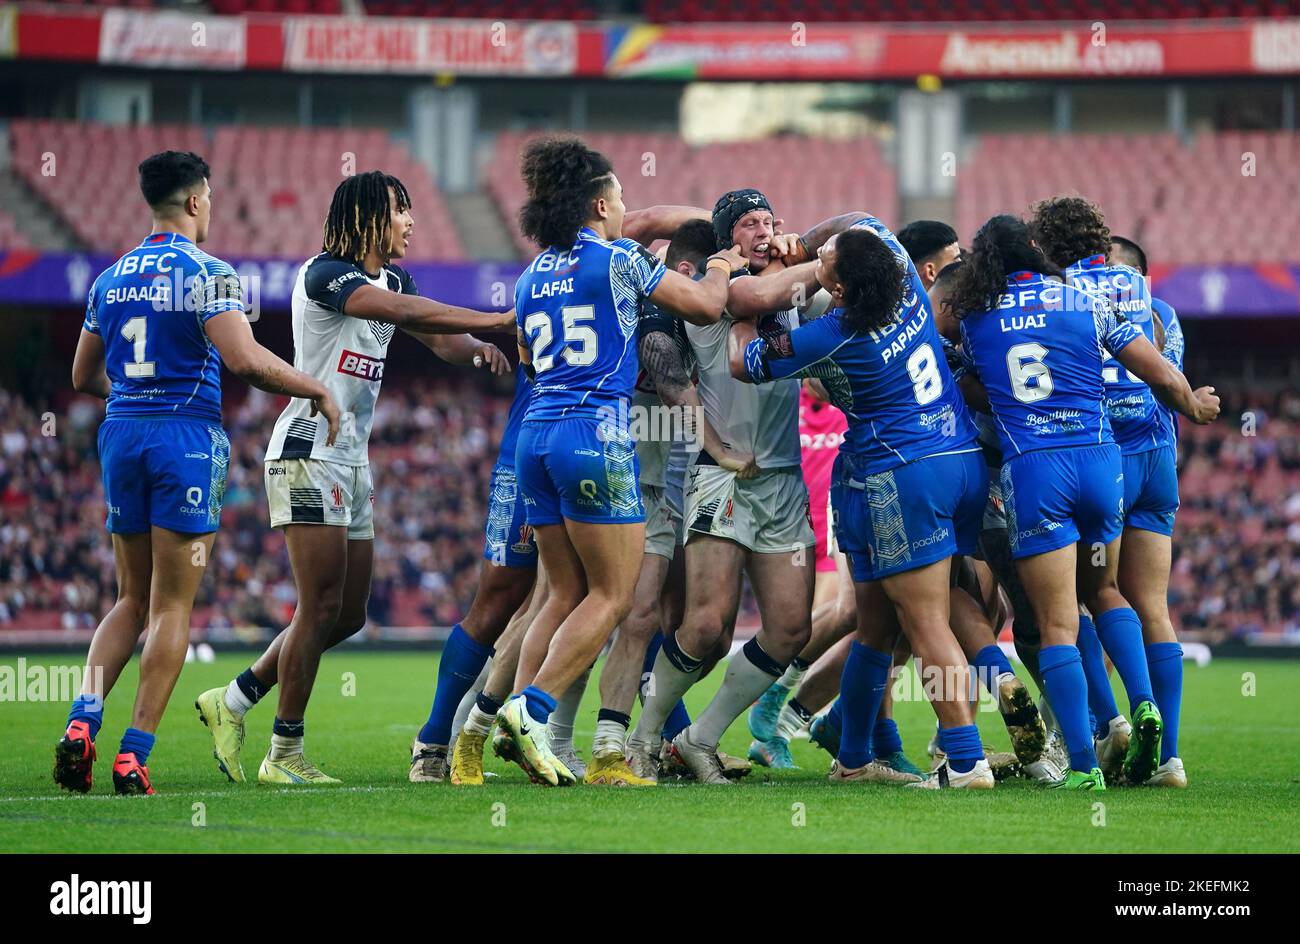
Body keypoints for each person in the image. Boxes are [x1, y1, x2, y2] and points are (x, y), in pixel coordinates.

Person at [194, 171, 513, 785]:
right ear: (369, 216)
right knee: (317, 606)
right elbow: (396, 308)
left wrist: (481, 348)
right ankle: (283, 754)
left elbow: (434, 336)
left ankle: (233, 701)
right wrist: (493, 318)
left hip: (354, 460)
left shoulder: (394, 280)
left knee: (348, 614)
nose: (411, 223)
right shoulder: (326, 274)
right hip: (308, 450)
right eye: (401, 211)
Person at [56, 150, 341, 796]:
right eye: (208, 198)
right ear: (194, 201)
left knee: (128, 599)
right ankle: (133, 755)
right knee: (170, 607)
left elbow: (81, 377)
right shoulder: (210, 273)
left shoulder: (110, 279)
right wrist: (314, 388)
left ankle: (82, 721)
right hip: (185, 439)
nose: (209, 208)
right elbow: (244, 359)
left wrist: (134, 397)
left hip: (122, 432)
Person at [495, 136, 745, 787]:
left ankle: (513, 721)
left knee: (561, 593)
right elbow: (707, 307)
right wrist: (719, 264)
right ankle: (532, 709)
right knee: (612, 596)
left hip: (534, 437)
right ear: (601, 204)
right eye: (621, 198)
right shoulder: (618, 259)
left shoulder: (530, 275)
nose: (626, 208)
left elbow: (525, 355)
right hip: (594, 433)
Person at [950, 214, 1218, 789]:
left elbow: (969, 383)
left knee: (1055, 624)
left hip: (1038, 471)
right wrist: (1193, 405)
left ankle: (1084, 765)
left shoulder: (976, 317)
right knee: (1108, 589)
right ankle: (1145, 706)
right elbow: (1157, 372)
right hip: (1103, 466)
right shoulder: (1084, 301)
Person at [731, 215, 994, 789]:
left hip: (903, 474)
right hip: (957, 458)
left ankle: (967, 761)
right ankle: (853, 757)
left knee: (924, 624)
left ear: (841, 289)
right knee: (875, 626)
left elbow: (742, 361)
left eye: (825, 258)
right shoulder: (902, 275)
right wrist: (802, 246)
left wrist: (748, 301)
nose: (819, 253)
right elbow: (861, 218)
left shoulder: (835, 333)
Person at [591, 218, 757, 784]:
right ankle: (593, 742)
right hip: (619, 477)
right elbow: (673, 391)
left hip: (661, 486)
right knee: (615, 613)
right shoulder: (652, 314)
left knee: (672, 625)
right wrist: (722, 448)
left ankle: (649, 742)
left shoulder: (675, 313)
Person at [1032, 197, 1186, 785]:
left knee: (1079, 599)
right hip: (1158, 457)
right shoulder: (1160, 309)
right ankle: (1168, 757)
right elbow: (1166, 376)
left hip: (1100, 459)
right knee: (1152, 605)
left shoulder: (1060, 297)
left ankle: (1110, 723)